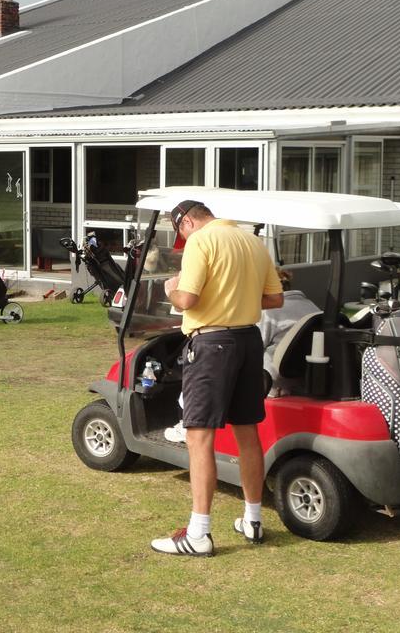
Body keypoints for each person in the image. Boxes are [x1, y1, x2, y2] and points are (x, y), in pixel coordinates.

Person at [151, 200, 283, 557]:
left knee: (199, 435)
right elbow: (274, 298)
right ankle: (252, 520)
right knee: (247, 431)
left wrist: (169, 290)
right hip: (248, 342)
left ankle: (198, 533)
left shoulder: (200, 241)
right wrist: (233, 294)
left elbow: (188, 299)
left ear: (187, 222)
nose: (183, 241)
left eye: (181, 233)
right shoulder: (253, 242)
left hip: (212, 344)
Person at [163, 270, 321, 441]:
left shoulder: (268, 313)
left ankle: (188, 427)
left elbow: (250, 344)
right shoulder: (310, 305)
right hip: (301, 376)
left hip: (271, 380)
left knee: (202, 371)